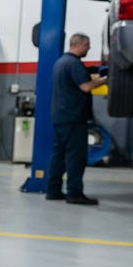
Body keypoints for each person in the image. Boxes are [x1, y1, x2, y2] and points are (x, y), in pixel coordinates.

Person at [46, 33, 106, 205]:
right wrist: (105, 80)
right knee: (76, 156)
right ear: (80, 44)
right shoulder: (74, 63)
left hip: (60, 116)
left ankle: (53, 190)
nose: (89, 49)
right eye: (88, 45)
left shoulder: (61, 62)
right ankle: (74, 193)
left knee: (58, 154)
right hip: (73, 117)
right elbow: (86, 86)